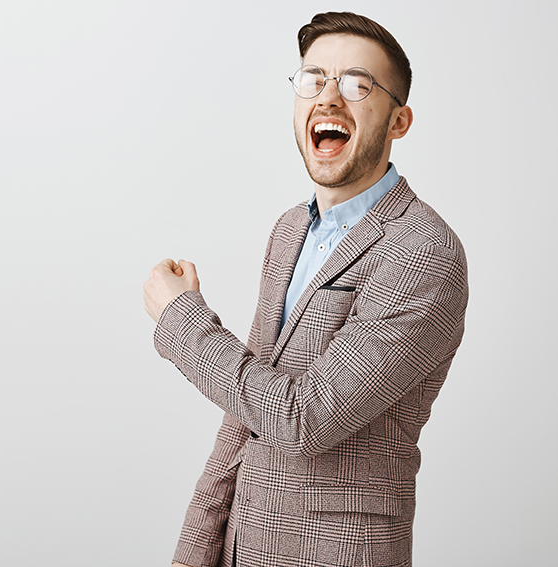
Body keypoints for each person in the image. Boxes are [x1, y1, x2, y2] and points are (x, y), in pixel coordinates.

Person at [142, 11, 468, 567]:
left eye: (356, 84)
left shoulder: (424, 252)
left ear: (398, 121)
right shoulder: (292, 229)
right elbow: (242, 416)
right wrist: (191, 555)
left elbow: (304, 417)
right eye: (313, 79)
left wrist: (181, 320)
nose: (328, 98)